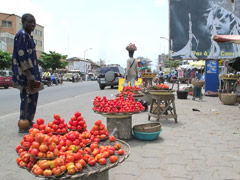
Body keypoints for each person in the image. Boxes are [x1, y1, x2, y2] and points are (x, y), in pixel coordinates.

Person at [12, 13, 43, 133]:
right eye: (29, 22)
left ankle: (29, 121)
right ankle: (23, 123)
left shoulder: (29, 36)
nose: (32, 25)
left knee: (33, 96)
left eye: (34, 22)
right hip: (26, 74)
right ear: (23, 23)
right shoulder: (21, 35)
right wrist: (29, 75)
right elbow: (22, 56)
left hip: (32, 73)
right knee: (26, 97)